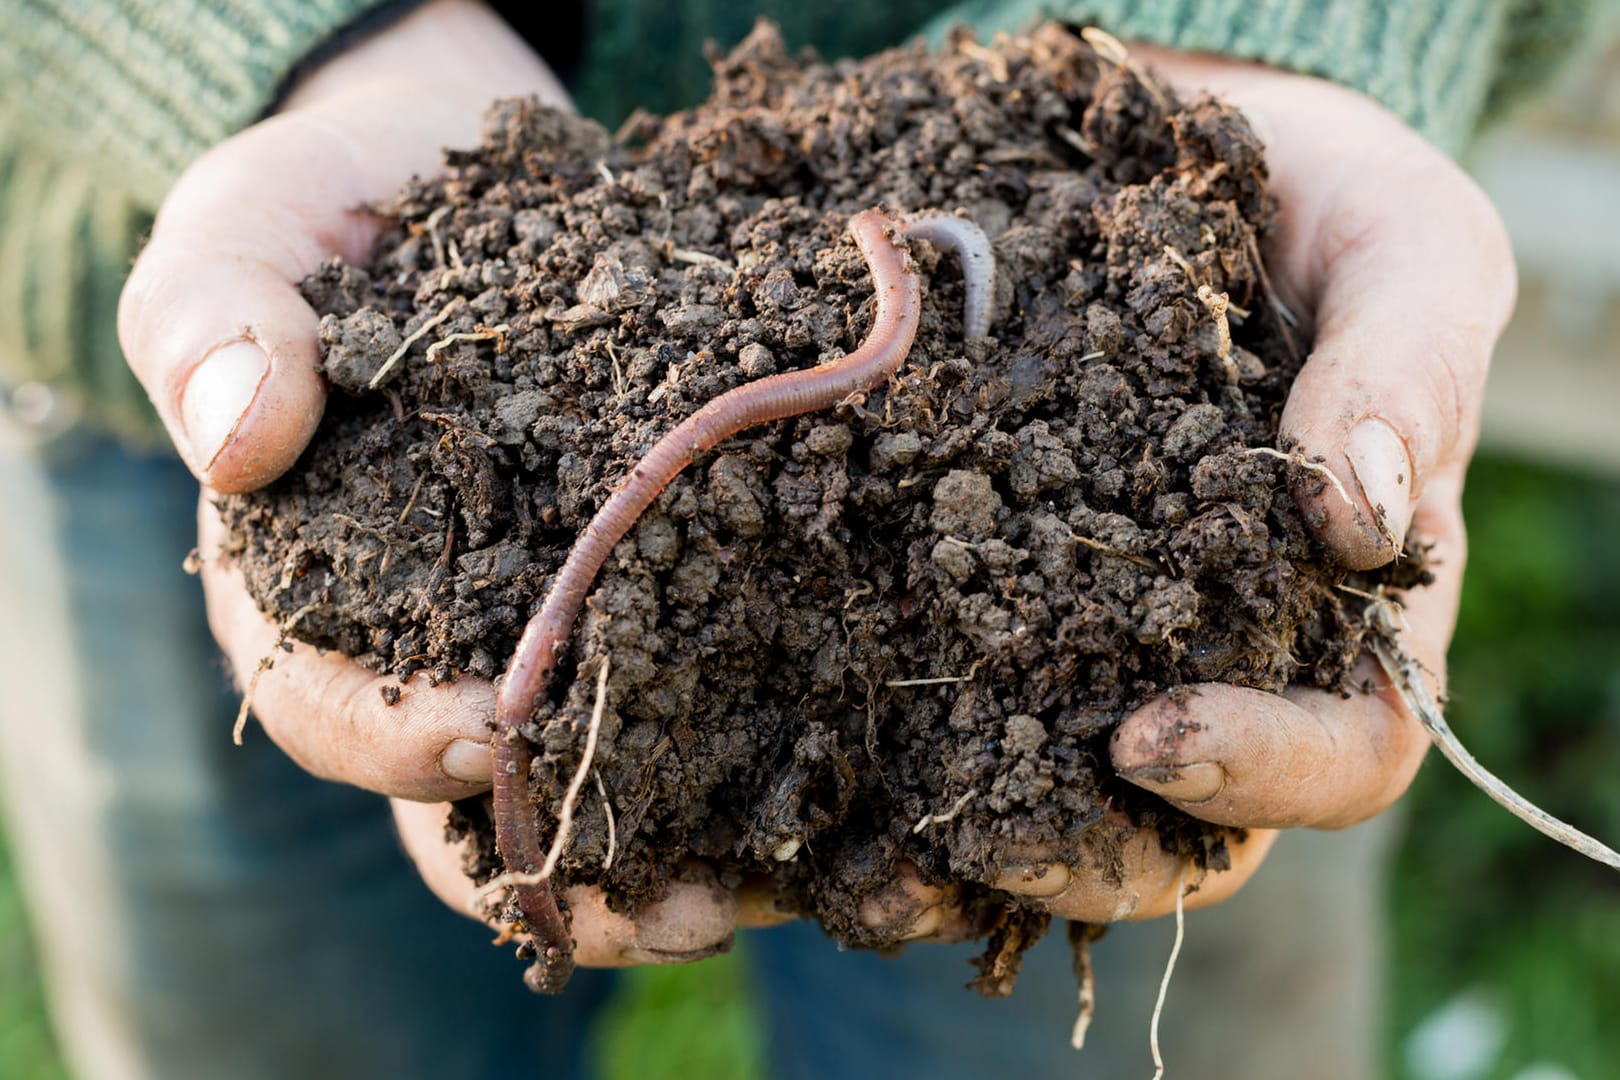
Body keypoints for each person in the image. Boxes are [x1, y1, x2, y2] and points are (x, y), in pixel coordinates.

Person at [1, 2, 1609, 1077]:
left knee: (1107, 831)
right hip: (311, 388)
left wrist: (1271, 40)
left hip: (1097, 548)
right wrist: (299, 40)